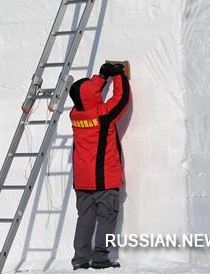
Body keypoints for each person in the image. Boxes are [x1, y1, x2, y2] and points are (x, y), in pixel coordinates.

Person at [69, 62, 131, 270]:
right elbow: (120, 100)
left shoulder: (75, 114)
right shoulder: (102, 115)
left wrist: (103, 76)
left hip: (82, 180)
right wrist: (119, 76)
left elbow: (86, 94)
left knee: (84, 219)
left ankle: (80, 259)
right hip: (104, 178)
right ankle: (100, 258)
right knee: (106, 218)